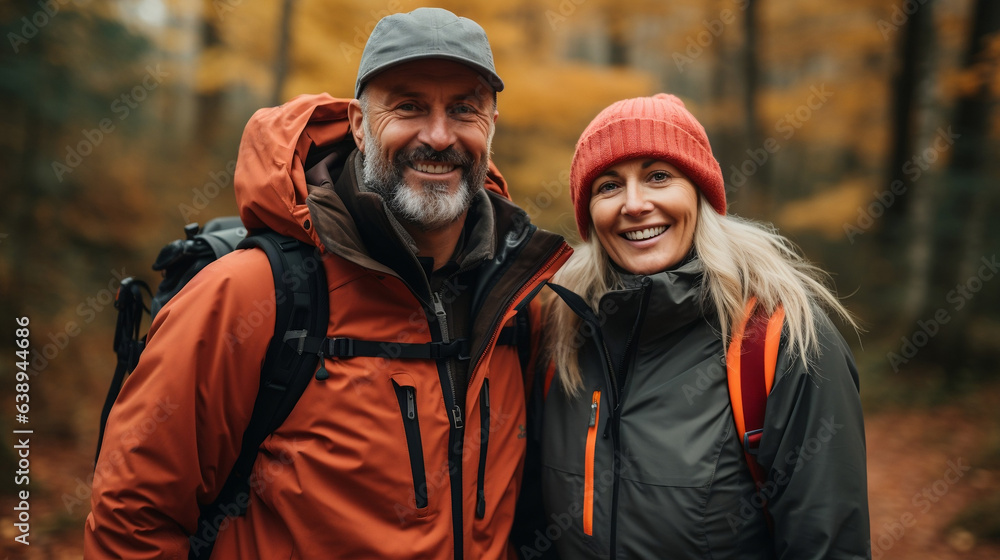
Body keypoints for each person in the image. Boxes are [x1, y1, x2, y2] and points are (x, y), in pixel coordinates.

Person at [84, 8, 570, 559]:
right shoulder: (253, 294)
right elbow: (133, 519)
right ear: (360, 124)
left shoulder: (520, 302)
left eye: (464, 109)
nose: (438, 135)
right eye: (408, 106)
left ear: (491, 127)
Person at [532, 94, 870, 559]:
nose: (634, 204)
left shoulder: (781, 341)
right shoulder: (561, 334)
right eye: (608, 186)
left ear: (701, 194)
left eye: (658, 177)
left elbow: (829, 545)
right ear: (589, 214)